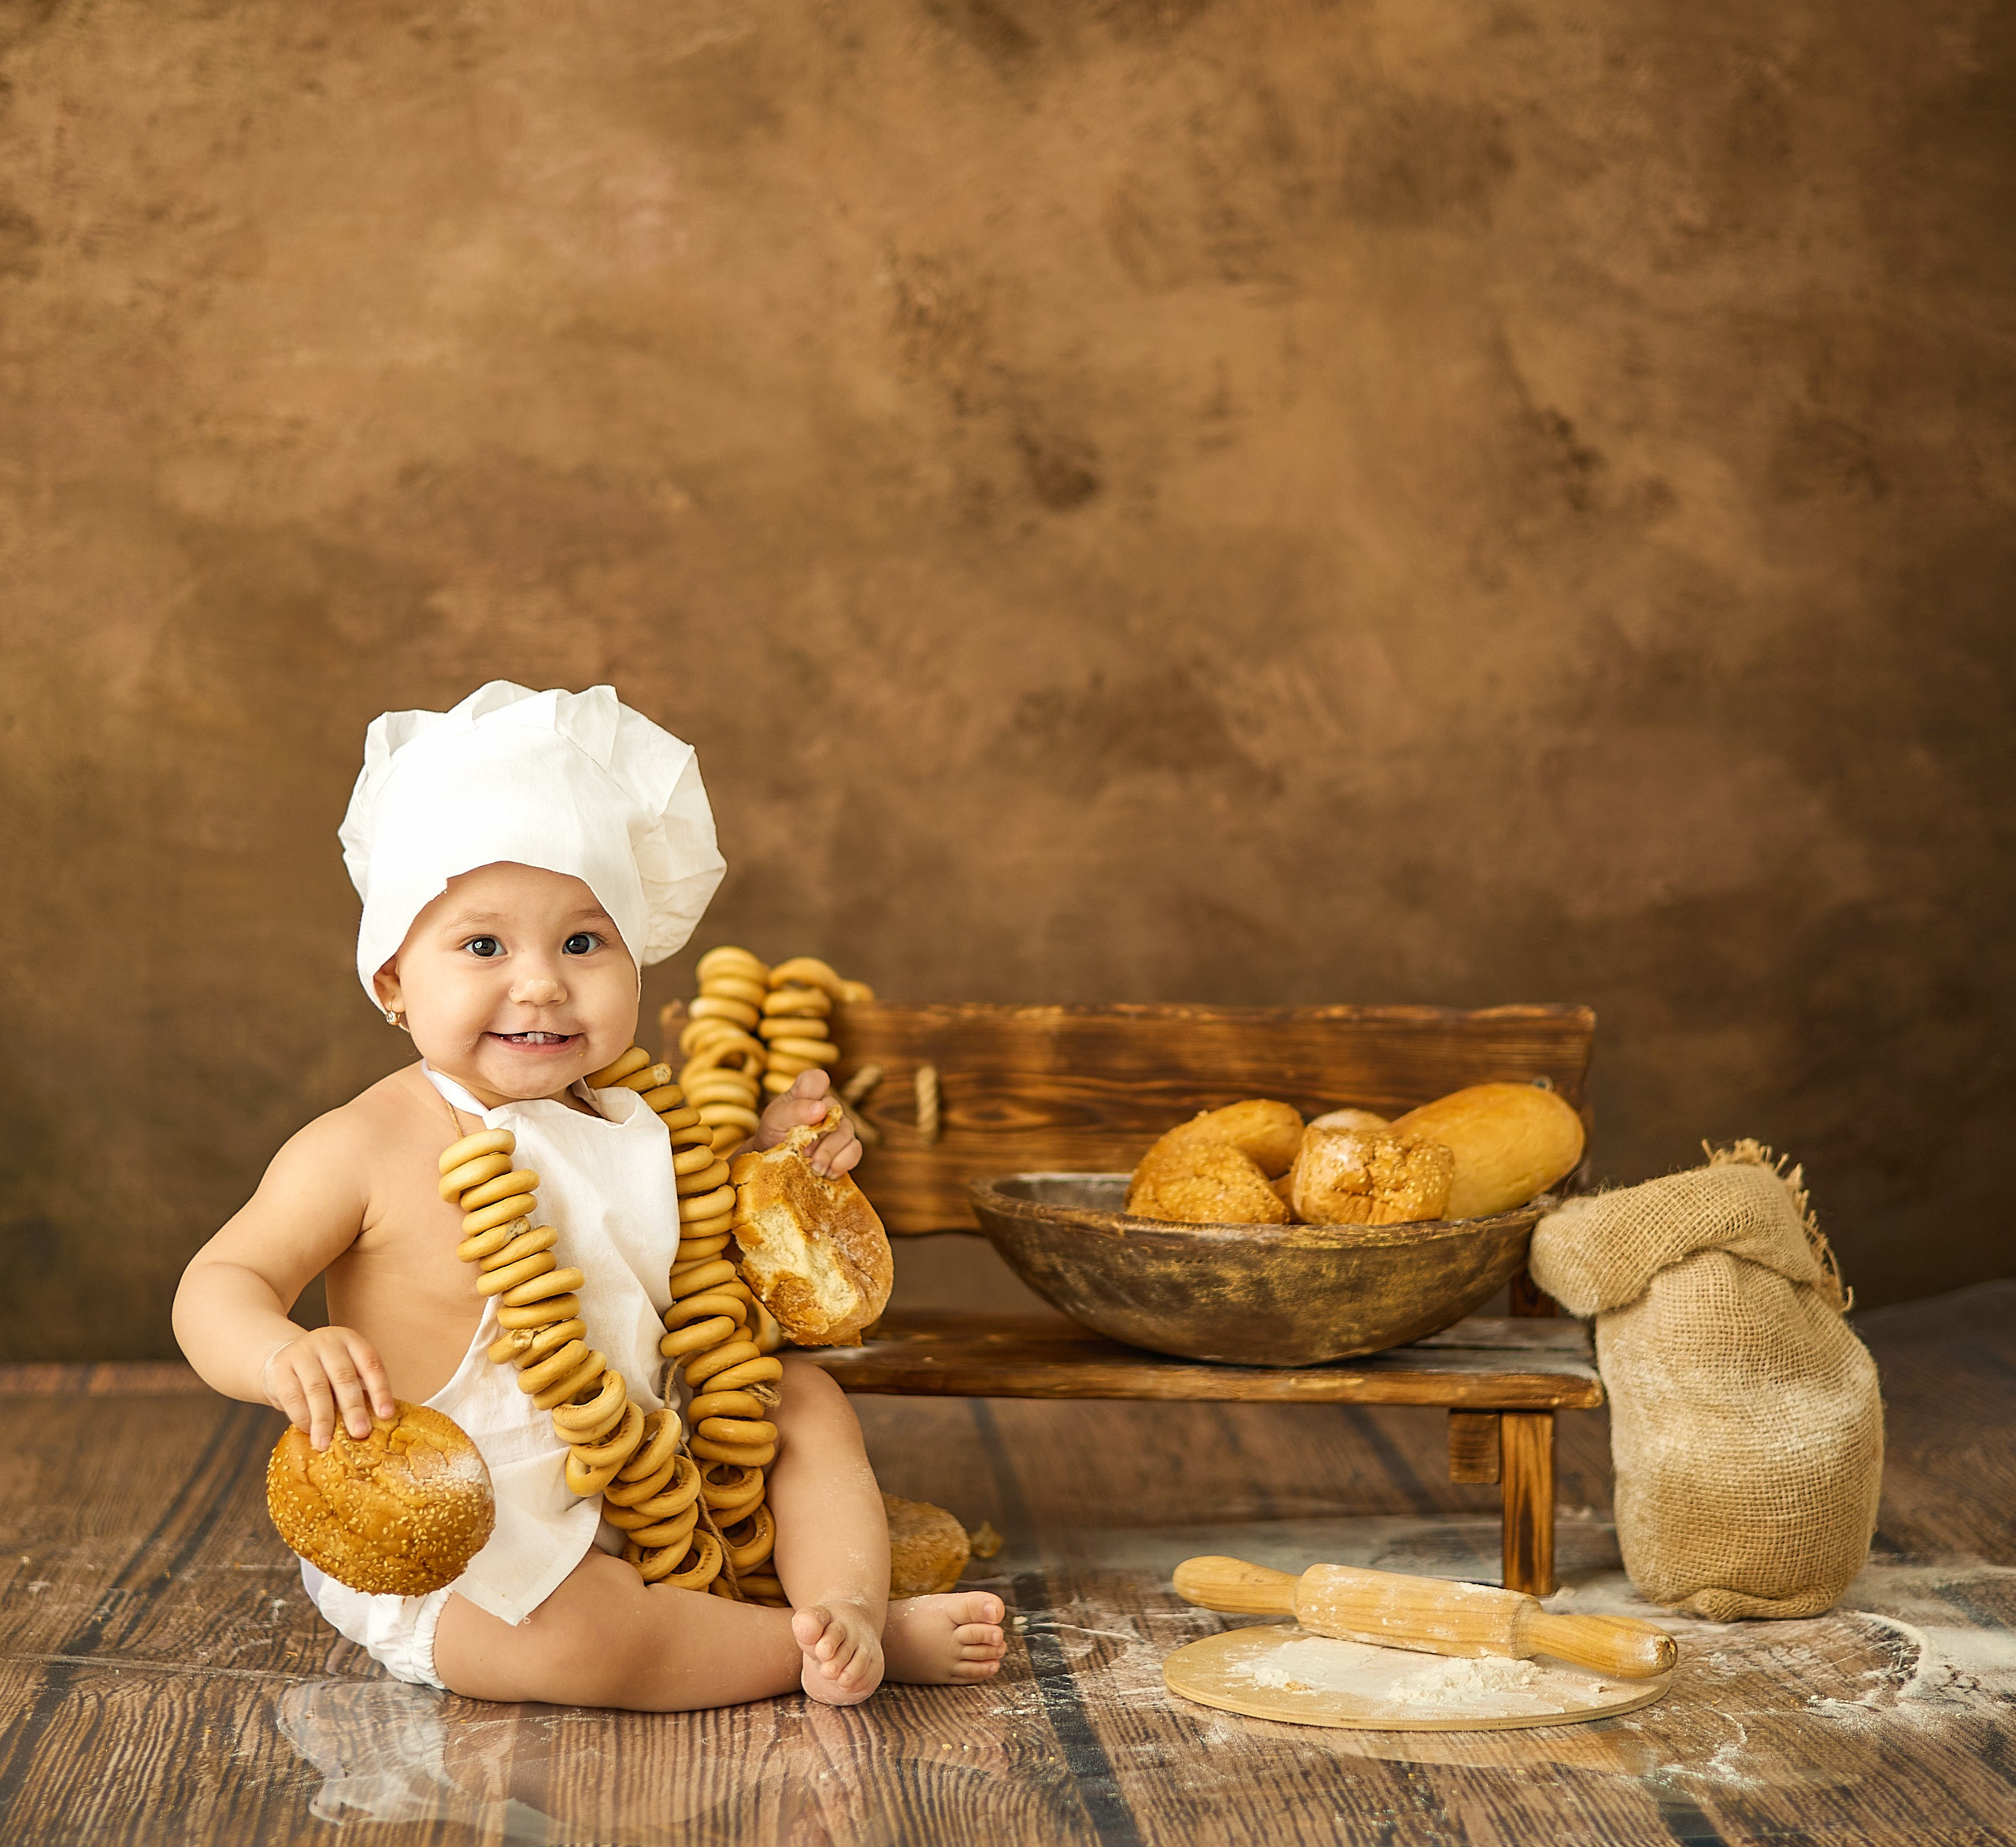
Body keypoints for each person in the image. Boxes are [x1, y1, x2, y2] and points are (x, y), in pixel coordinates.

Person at [173, 682, 1005, 1709]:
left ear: (636, 961)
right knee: (583, 1640)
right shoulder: (363, 1144)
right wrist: (278, 1354)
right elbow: (220, 1279)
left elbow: (685, 1248)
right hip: (472, 1537)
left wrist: (774, 1159)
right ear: (392, 980)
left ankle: (848, 1610)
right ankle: (792, 1649)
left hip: (651, 1476)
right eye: (484, 946)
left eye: (582, 942)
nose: (541, 983)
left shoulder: (635, 1118)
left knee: (805, 1403)